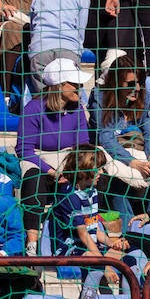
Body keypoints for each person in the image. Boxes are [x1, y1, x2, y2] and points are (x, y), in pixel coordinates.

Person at [17, 58, 94, 256]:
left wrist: (71, 169)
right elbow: (24, 150)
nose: (80, 87)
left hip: (68, 159)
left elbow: (83, 146)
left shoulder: (78, 109)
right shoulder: (33, 109)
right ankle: (32, 243)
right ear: (60, 86)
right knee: (33, 180)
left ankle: (94, 231)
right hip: (39, 160)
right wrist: (51, 171)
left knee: (95, 171)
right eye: (75, 84)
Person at [52, 145, 132, 299]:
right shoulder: (70, 196)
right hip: (68, 245)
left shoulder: (93, 192)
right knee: (96, 269)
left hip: (88, 243)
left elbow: (94, 229)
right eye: (98, 170)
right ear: (85, 172)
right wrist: (105, 265)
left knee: (129, 259)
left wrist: (113, 242)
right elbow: (82, 235)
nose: (101, 174)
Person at [91, 55, 150, 227]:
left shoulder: (145, 99)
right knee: (117, 181)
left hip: (139, 150)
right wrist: (132, 162)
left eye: (140, 82)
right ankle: (126, 232)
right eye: (131, 84)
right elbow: (106, 137)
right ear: (116, 82)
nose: (137, 88)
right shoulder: (100, 99)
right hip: (112, 153)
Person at [28, 0, 90, 81]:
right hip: (68, 50)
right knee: (67, 98)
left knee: (41, 99)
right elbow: (80, 32)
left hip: (40, 50)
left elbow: (33, 27)